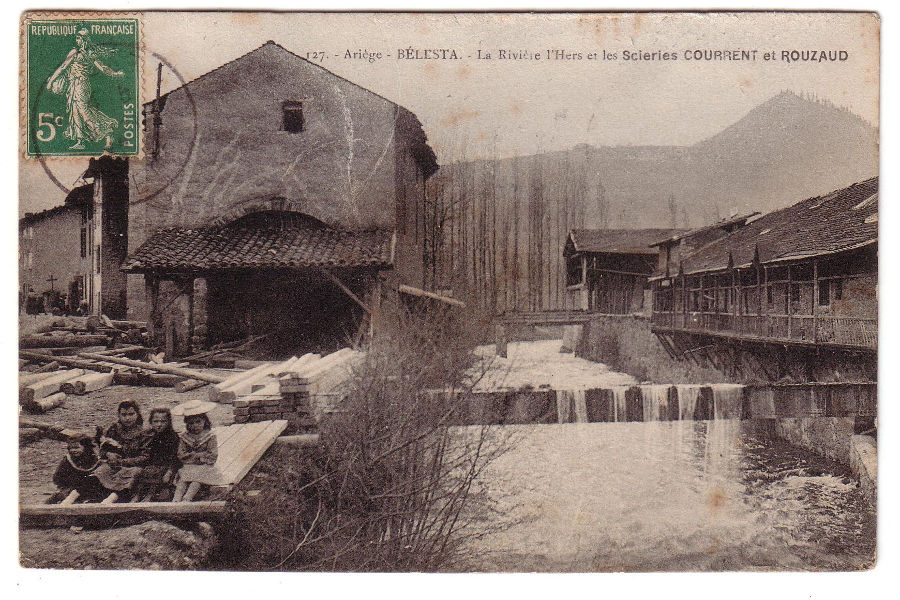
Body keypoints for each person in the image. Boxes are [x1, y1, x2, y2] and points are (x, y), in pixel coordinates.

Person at [45, 28, 123, 150]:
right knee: (75, 110)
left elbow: (62, 67)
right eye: (76, 38)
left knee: (83, 111)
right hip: (76, 85)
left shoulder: (75, 52)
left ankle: (103, 131)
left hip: (80, 85)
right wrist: (115, 74)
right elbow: (103, 68)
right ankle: (81, 141)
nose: (77, 40)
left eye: (79, 38)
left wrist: (50, 81)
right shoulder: (90, 53)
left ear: (84, 40)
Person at [92, 399, 147, 503]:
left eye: (131, 414)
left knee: (132, 475)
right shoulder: (114, 430)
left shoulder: (144, 433)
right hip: (113, 465)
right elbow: (103, 449)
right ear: (119, 415)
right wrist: (108, 454)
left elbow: (145, 456)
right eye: (124, 414)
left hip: (133, 466)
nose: (127, 418)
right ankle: (93, 498)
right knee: (100, 472)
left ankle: (111, 500)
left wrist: (124, 462)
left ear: (137, 414)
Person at [131, 407, 181, 502]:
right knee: (144, 472)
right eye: (156, 421)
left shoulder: (173, 437)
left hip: (167, 466)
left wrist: (169, 471)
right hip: (153, 464)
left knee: (158, 474)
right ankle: (136, 495)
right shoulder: (151, 435)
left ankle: (149, 496)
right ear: (151, 422)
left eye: (163, 421)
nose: (159, 425)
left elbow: (175, 457)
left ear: (168, 422)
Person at [172, 400, 218, 502]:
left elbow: (213, 454)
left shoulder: (210, 436)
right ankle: (175, 500)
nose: (195, 426)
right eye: (191, 423)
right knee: (182, 481)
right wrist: (194, 457)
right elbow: (181, 454)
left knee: (196, 482)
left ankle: (187, 499)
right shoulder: (185, 437)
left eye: (198, 422)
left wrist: (199, 457)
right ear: (187, 424)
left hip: (204, 466)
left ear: (204, 421)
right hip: (189, 465)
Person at [47, 435, 105, 504]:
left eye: (76, 448)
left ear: (86, 447)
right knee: (59, 497)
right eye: (70, 448)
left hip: (90, 488)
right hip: (71, 487)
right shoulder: (68, 460)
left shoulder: (95, 460)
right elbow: (57, 478)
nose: (73, 450)